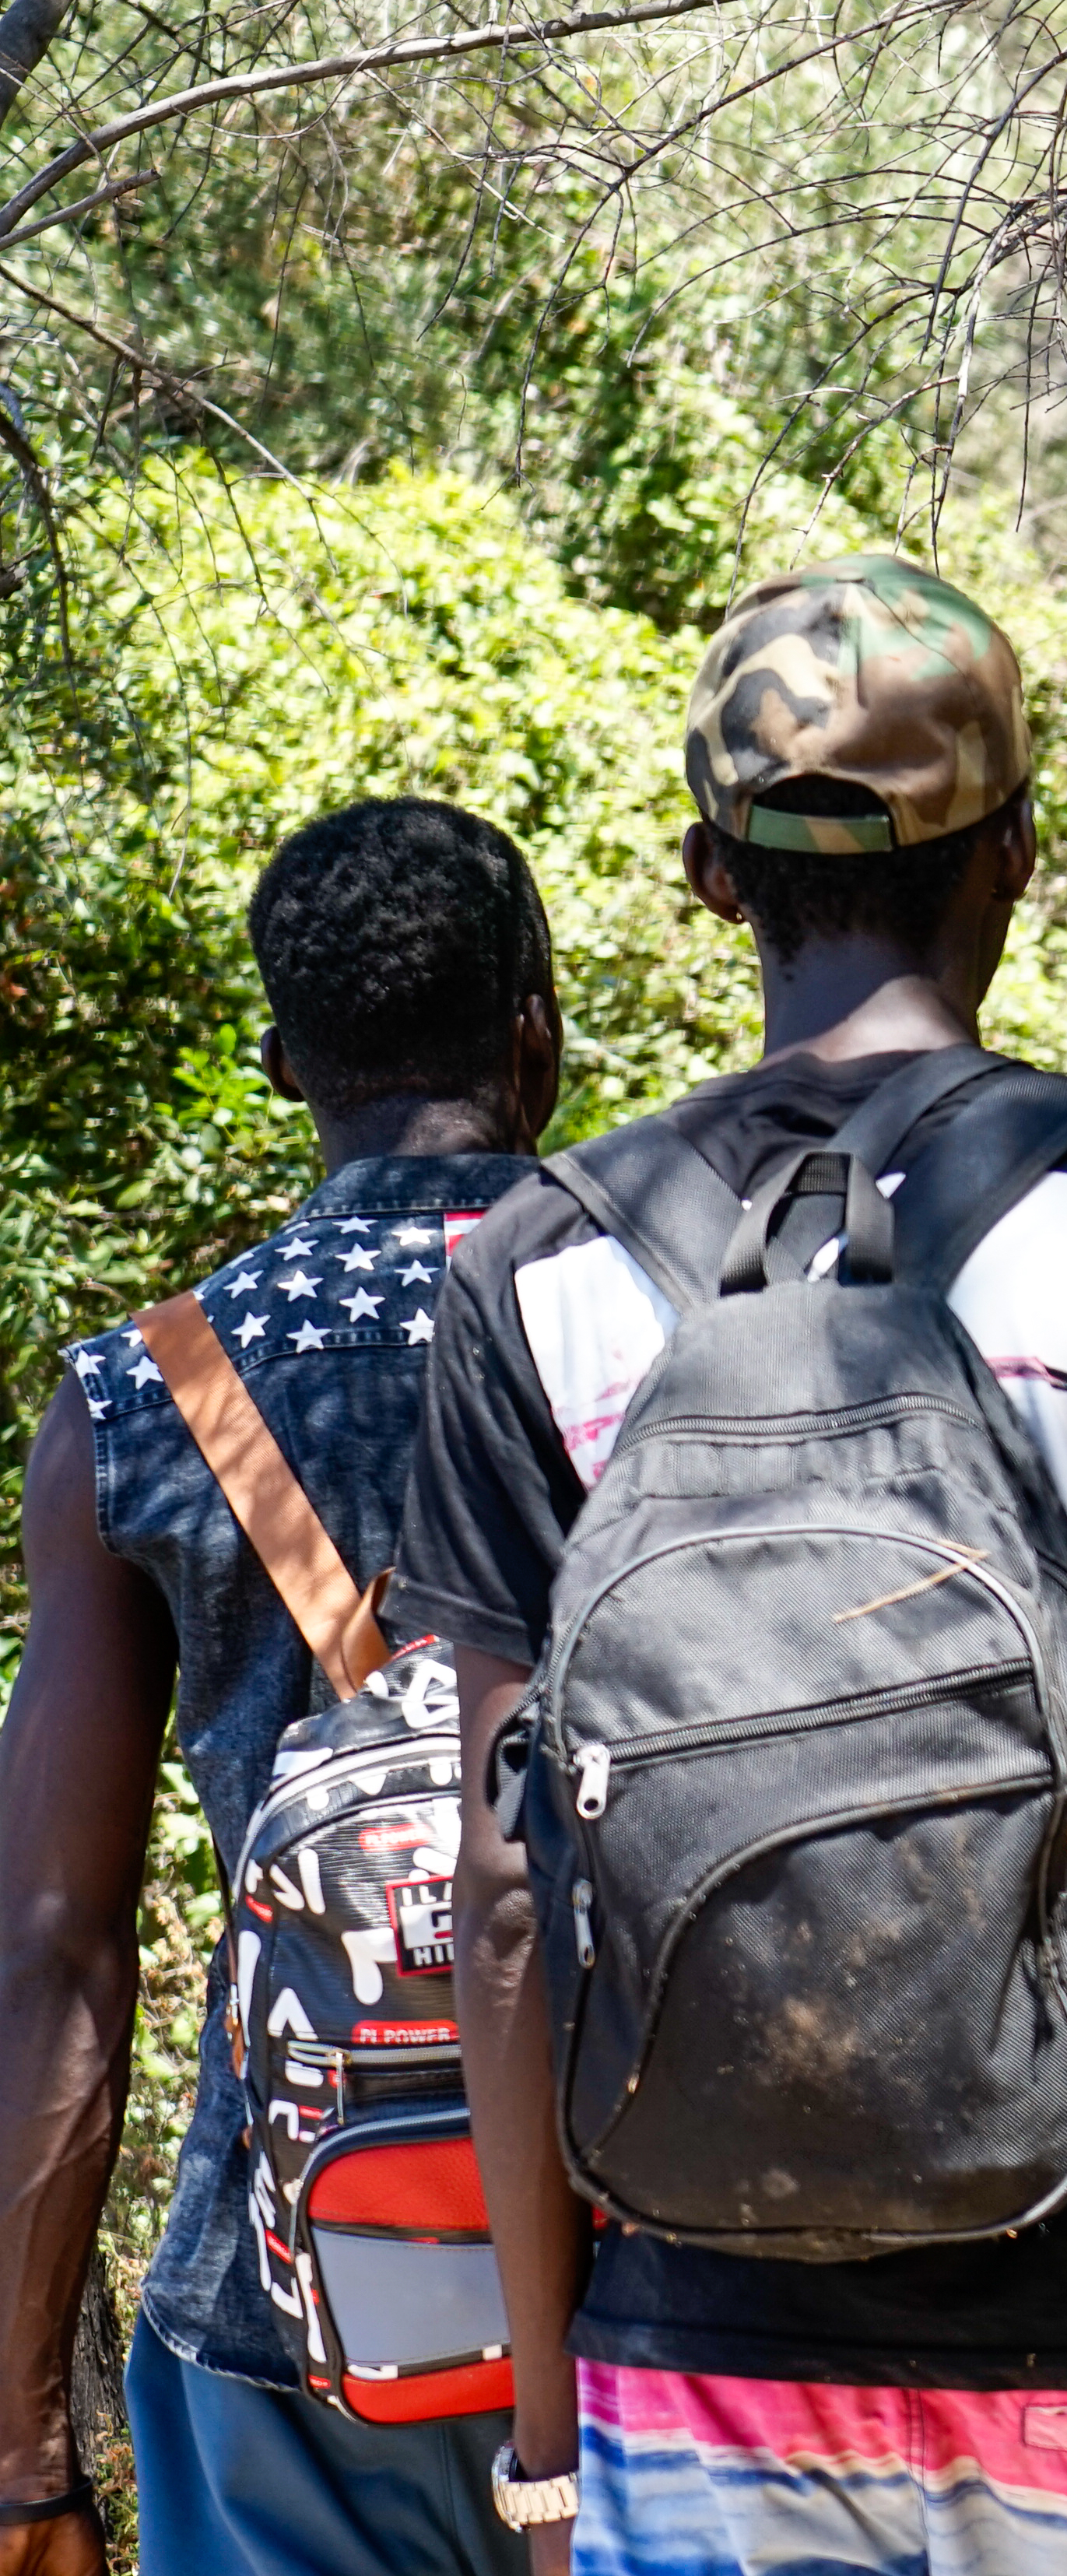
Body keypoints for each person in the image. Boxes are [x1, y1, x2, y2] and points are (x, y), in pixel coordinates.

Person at [404, 557, 1067, 2576]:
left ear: (715, 876)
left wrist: (553, 2431)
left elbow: (510, 1894)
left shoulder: (542, 1265)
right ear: (1020, 858)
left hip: (699, 2345)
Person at [0, 802, 562, 2576]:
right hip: (663, 2281)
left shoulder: (144, 1394)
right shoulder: (672, 1319)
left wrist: (25, 2444)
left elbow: (52, 1946)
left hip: (287, 2294)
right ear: (539, 1027)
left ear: (276, 1058)